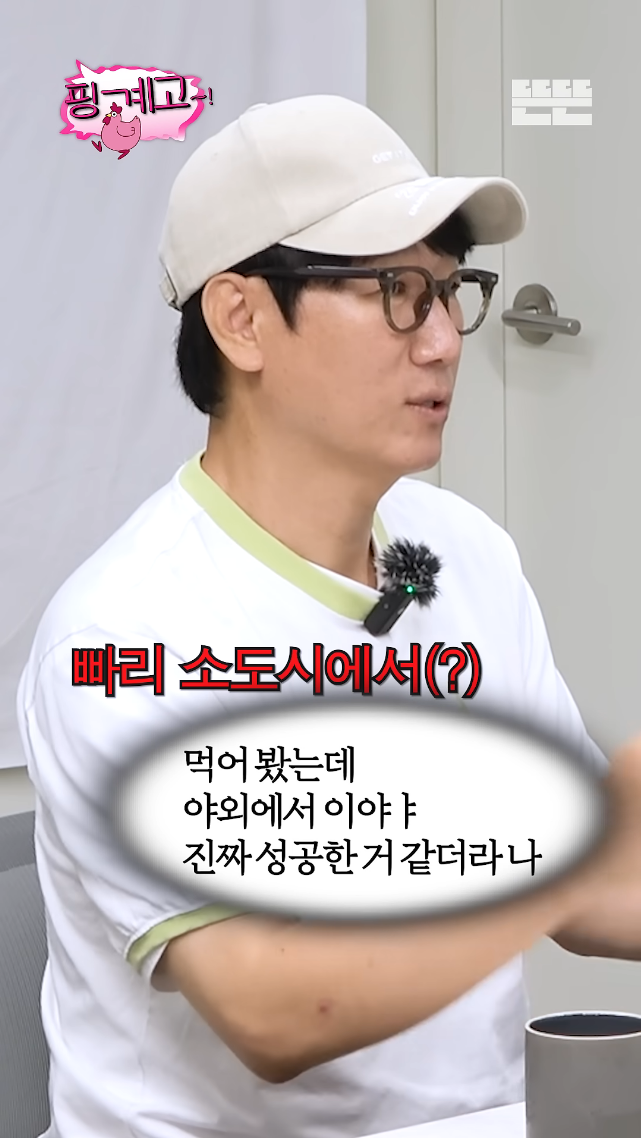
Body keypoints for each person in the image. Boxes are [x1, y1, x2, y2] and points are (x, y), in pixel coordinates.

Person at [17, 94, 641, 1138]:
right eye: (396, 292)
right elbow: (271, 1005)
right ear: (240, 319)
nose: (442, 342)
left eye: (451, 292)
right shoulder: (126, 632)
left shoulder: (462, 555)